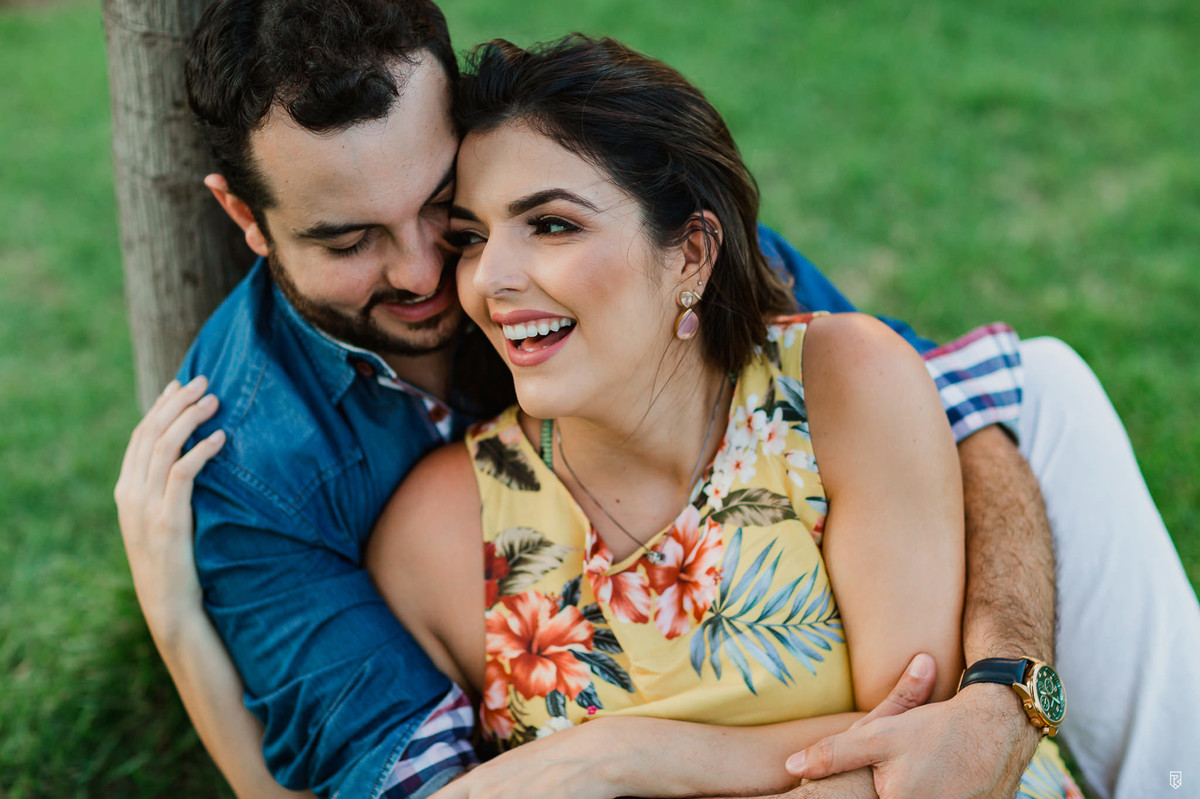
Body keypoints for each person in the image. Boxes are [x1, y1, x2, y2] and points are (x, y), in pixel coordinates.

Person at [113, 1, 1200, 798]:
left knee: (1045, 385)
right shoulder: (249, 470)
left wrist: (1005, 689)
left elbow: (945, 406)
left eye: (445, 210)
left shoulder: (638, 227)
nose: (430, 272)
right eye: (349, 239)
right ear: (245, 218)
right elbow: (402, 780)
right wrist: (177, 623)